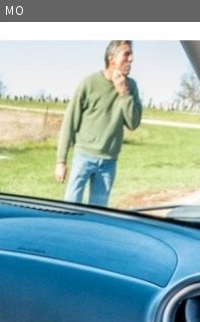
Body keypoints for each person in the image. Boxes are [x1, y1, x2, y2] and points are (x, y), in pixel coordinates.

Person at [55, 41, 142, 207]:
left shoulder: (131, 86)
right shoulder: (89, 83)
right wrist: (61, 161)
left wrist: (124, 93)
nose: (131, 59)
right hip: (83, 157)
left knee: (98, 214)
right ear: (112, 59)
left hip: (108, 163)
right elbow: (69, 122)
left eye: (131, 55)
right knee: (69, 210)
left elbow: (133, 123)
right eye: (126, 54)